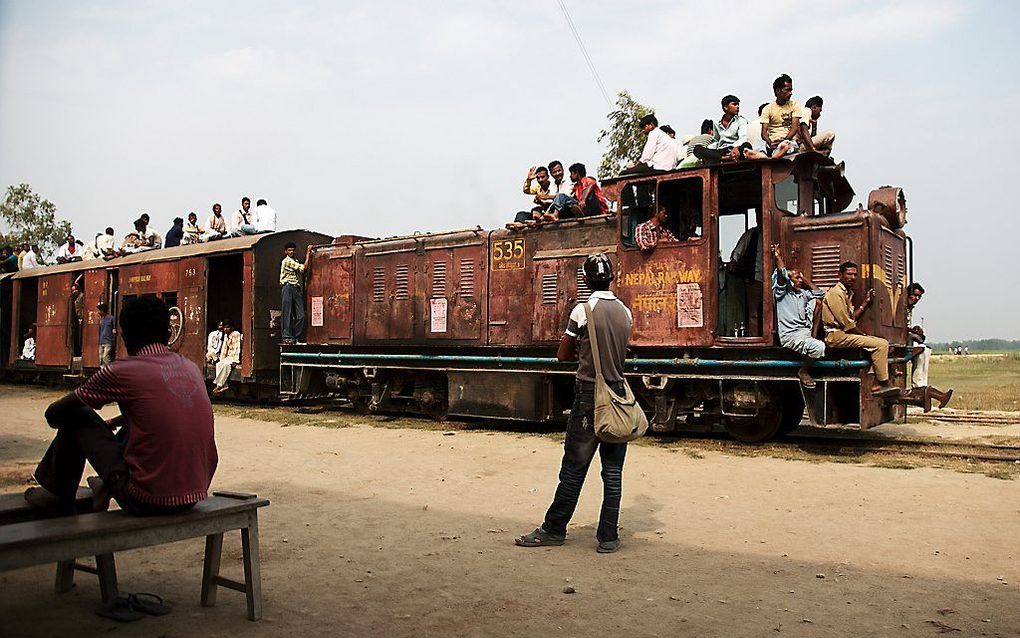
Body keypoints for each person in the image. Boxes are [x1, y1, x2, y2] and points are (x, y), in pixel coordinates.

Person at [23, 296, 217, 516]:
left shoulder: (122, 370)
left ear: (124, 335)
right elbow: (155, 413)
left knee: (78, 415)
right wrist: (112, 423)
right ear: (169, 333)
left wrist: (85, 428)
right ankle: (106, 485)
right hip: (193, 495)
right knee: (141, 420)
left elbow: (55, 413)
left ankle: (57, 494)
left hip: (146, 499)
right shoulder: (190, 367)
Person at [515, 252, 632, 553]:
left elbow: (562, 354)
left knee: (574, 468)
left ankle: (554, 528)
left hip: (590, 395)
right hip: (618, 394)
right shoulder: (625, 312)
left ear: (587, 280)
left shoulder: (583, 311)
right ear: (611, 278)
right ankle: (608, 536)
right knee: (613, 471)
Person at [821, 261, 899, 396]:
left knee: (881, 343)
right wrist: (863, 335)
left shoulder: (846, 293)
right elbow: (847, 324)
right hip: (835, 336)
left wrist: (865, 302)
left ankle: (877, 379)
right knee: (881, 344)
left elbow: (851, 317)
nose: (852, 277)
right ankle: (881, 383)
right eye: (849, 274)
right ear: (840, 275)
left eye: (855, 275)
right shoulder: (835, 293)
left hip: (842, 334)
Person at [771, 244, 825, 387]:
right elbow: (782, 274)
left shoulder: (802, 294)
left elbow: (820, 294)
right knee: (819, 347)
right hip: (791, 335)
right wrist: (777, 256)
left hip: (805, 333)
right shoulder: (782, 294)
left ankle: (812, 337)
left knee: (818, 302)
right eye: (797, 278)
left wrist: (804, 279)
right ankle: (803, 371)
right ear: (789, 280)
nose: (800, 281)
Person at [903, 283, 953, 410]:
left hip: (905, 339)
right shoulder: (901, 306)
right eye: (915, 295)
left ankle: (922, 387)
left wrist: (914, 330)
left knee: (925, 350)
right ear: (908, 294)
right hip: (898, 341)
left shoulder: (909, 308)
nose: (917, 299)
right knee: (921, 351)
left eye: (919, 297)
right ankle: (920, 388)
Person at [728, 209, 764, 336]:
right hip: (754, 278)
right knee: (753, 313)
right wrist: (733, 262)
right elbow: (739, 250)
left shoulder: (773, 233)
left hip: (771, 280)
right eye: (759, 216)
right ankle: (755, 338)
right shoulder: (751, 234)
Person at [694, 95, 754, 164]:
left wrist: (736, 147)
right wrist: (708, 149)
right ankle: (724, 158)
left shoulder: (741, 121)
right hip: (721, 151)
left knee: (747, 145)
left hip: (735, 148)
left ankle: (717, 159)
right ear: (725, 107)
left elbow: (743, 137)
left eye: (738, 104)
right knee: (697, 149)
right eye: (734, 104)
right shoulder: (716, 123)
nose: (737, 107)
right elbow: (716, 140)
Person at [761, 74, 803, 158]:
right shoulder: (767, 108)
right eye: (787, 90)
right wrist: (770, 143)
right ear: (778, 90)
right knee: (758, 144)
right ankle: (774, 154)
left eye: (791, 90)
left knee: (789, 146)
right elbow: (764, 133)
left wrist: (784, 140)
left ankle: (774, 156)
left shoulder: (794, 105)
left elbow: (794, 128)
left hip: (788, 141)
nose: (790, 93)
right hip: (773, 143)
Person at [280, 242, 309, 344]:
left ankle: (295, 336)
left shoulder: (295, 261)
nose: (291, 252)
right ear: (286, 252)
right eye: (289, 250)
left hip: (296, 288)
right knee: (287, 313)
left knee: (301, 315)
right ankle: (287, 336)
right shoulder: (287, 261)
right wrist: (308, 254)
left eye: (292, 250)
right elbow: (303, 268)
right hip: (288, 287)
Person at [213, 321, 241, 395]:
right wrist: (222, 359)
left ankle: (219, 386)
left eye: (227, 327)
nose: (225, 329)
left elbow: (237, 348)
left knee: (226, 366)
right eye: (224, 327)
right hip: (228, 357)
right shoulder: (226, 335)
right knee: (219, 364)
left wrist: (235, 361)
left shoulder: (236, 334)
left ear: (232, 328)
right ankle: (224, 386)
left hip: (234, 357)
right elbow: (224, 349)